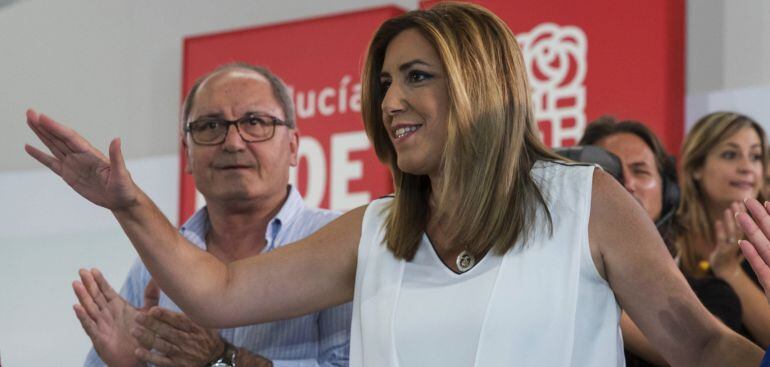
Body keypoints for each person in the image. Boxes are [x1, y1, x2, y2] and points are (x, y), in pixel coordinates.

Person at [24, 3, 763, 366]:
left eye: (416, 77)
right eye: (384, 82)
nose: (391, 102)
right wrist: (126, 199)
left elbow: (700, 345)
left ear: (482, 86)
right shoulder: (378, 229)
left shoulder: (586, 204)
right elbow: (220, 292)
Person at [71, 63, 351, 367]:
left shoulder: (336, 240)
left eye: (255, 122)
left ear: (294, 146)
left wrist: (223, 361)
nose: (232, 142)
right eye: (210, 126)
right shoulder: (159, 261)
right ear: (187, 152)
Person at [674, 111, 770, 348]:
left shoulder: (767, 239)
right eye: (730, 154)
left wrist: (728, 270)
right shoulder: (666, 237)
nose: (747, 167)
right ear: (696, 167)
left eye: (756, 156)